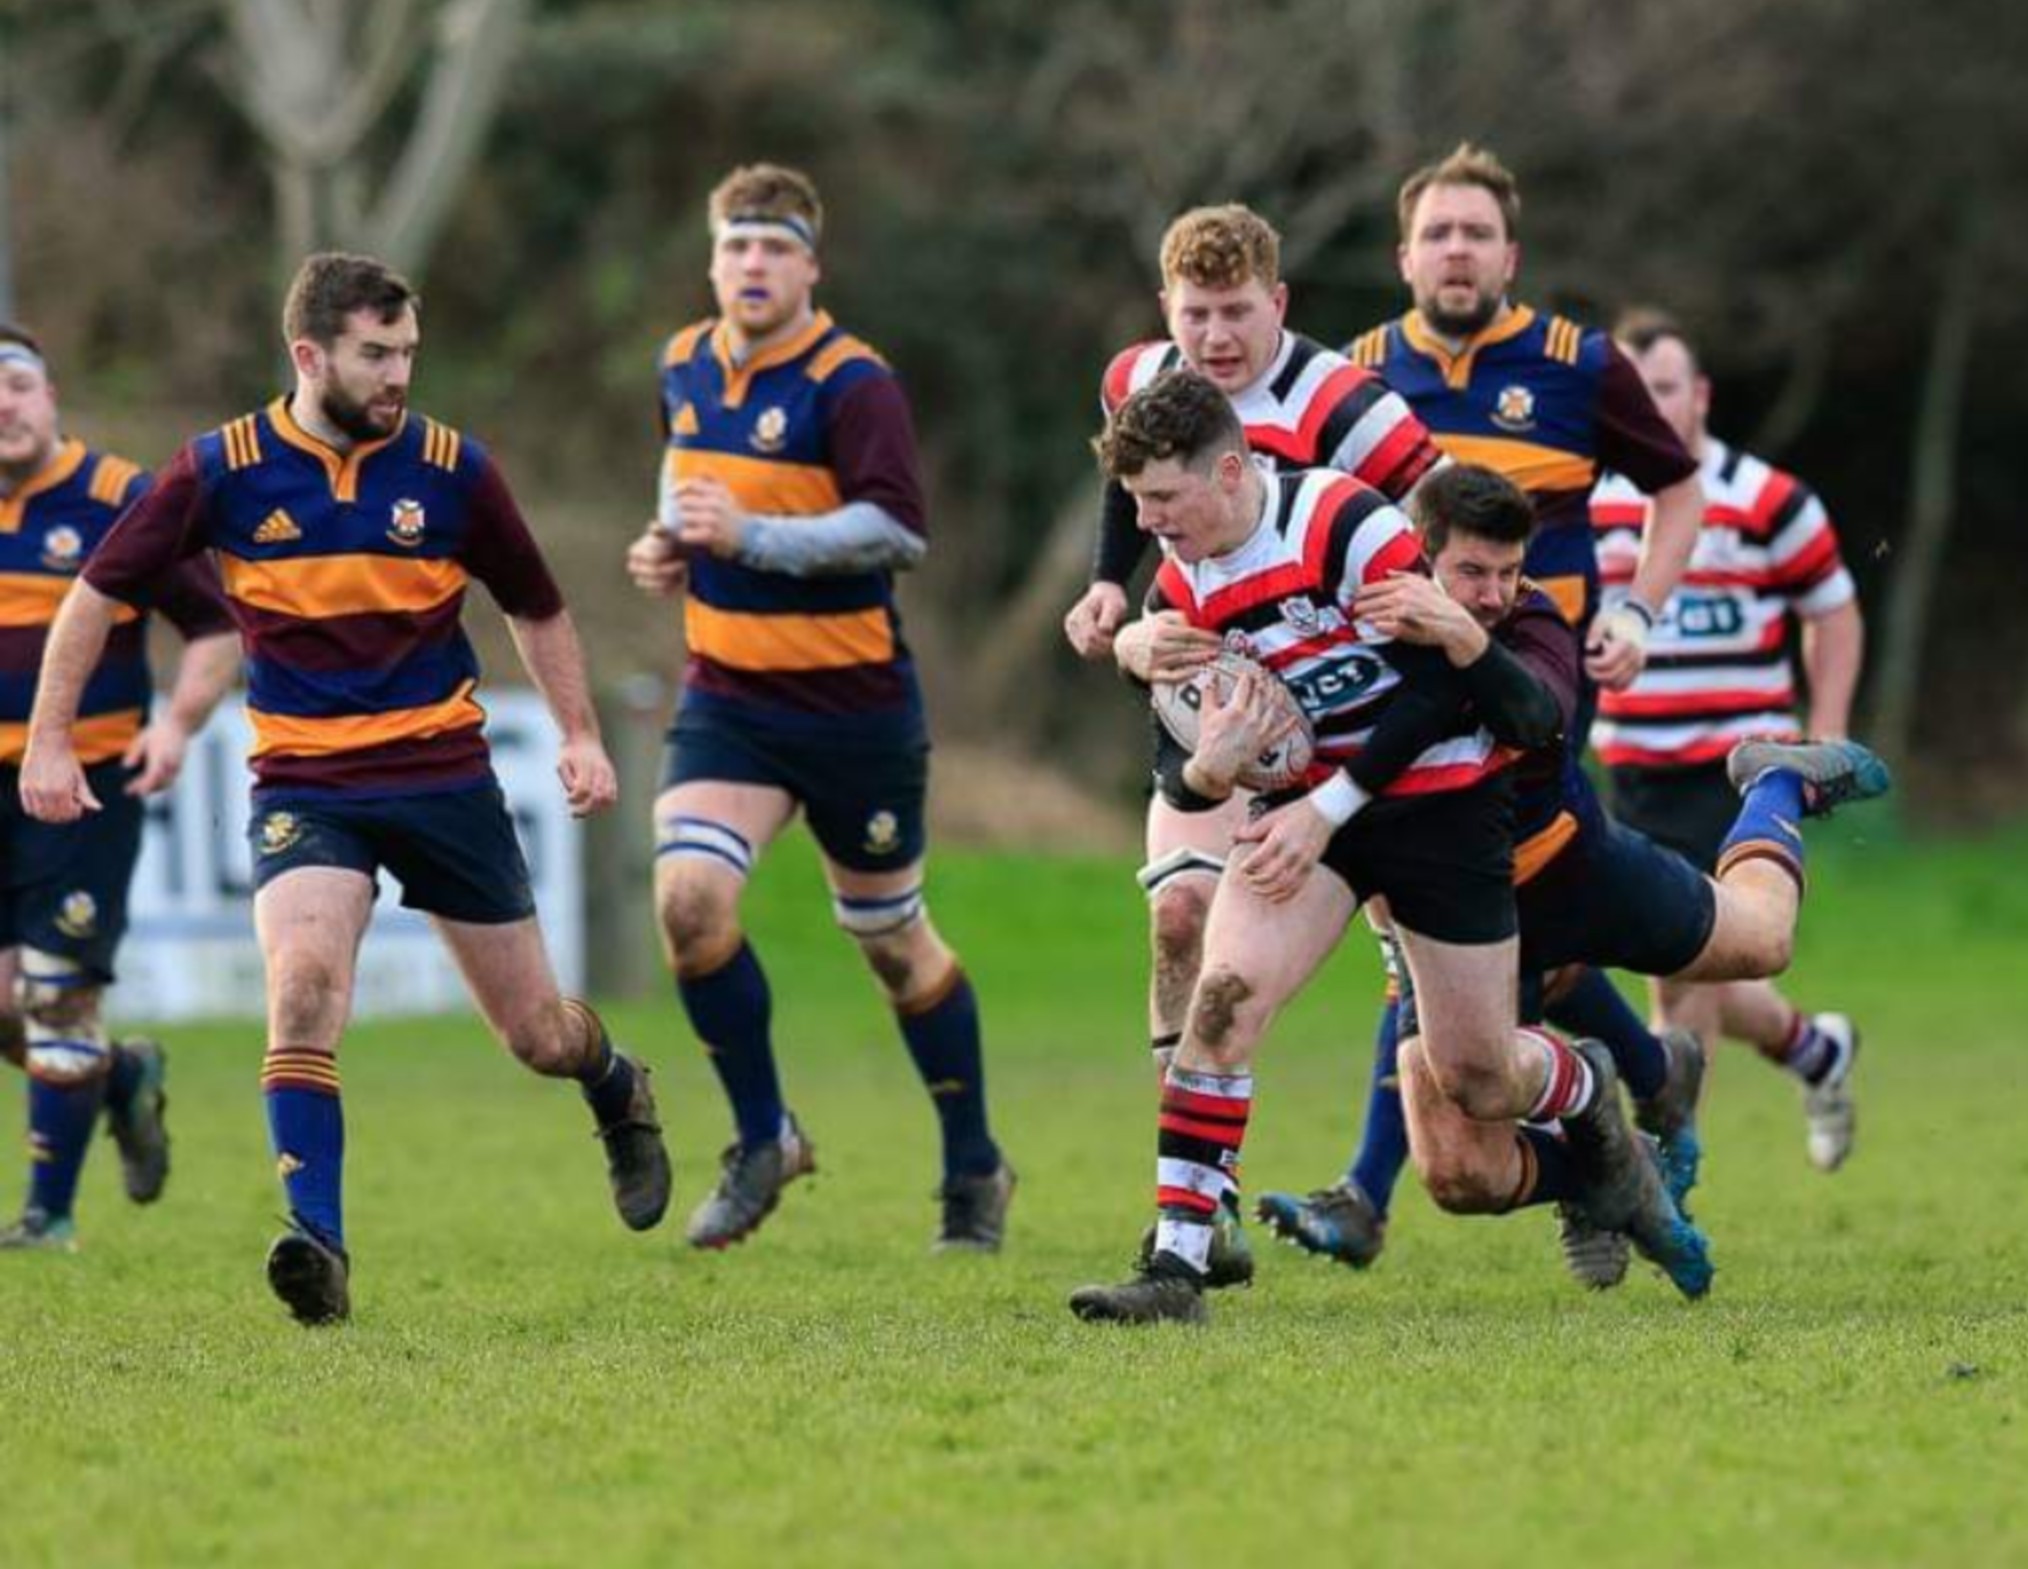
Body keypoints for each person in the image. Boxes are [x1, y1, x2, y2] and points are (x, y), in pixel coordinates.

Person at [20, 254, 669, 1323]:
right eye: (376, 355)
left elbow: (538, 607)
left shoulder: (454, 469)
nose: (398, 376)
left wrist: (581, 735)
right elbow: (95, 596)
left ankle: (615, 1085)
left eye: (408, 352)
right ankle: (316, 1244)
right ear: (309, 354)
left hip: (444, 779)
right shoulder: (220, 468)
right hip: (305, 785)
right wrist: (50, 741)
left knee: (536, 1036)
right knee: (304, 990)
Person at [1067, 372, 1705, 1327]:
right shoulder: (1183, 574)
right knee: (1223, 997)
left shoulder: (1340, 521)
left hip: (1440, 804)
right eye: (1138, 503)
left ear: (1232, 469)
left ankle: (1592, 1086)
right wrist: (1196, 744)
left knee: (1480, 1074)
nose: (1149, 523)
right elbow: (1181, 758)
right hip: (1305, 820)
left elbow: (1443, 689)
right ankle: (1177, 1264)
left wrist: (1328, 804)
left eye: (1163, 498)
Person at [1254, 465, 1888, 1284]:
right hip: (1449, 917)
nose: (1492, 592)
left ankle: (1776, 783)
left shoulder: (1532, 622)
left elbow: (1536, 715)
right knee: (1458, 1175)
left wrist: (1464, 633)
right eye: (1470, 573)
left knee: (1765, 941)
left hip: (1572, 870)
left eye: (1507, 572)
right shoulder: (1356, 635)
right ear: (1415, 555)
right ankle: (1601, 1167)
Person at [623, 163, 1013, 1253]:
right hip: (728, 700)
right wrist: (671, 541)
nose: (755, 265)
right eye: (738, 246)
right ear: (713, 260)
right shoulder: (683, 362)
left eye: (776, 247)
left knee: (892, 944)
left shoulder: (855, 383)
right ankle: (763, 1138)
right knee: (688, 904)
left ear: (811, 265)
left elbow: (898, 531)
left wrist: (754, 539)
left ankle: (975, 1166)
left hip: (853, 708)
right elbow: (686, 473)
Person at [1058, 204, 1445, 1286]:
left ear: (1279, 304)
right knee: (1181, 916)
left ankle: (1590, 1106)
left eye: (1236, 314)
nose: (1215, 338)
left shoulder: (1346, 408)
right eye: (1195, 316)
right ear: (1164, 312)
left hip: (1353, 717)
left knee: (1425, 949)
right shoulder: (1140, 375)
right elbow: (1128, 477)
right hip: (1210, 694)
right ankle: (1197, 1211)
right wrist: (1110, 592)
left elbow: (1439, 520)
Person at [1594, 309, 1869, 1171]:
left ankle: (1670, 1169)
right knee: (1703, 968)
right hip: (1632, 770)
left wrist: (1825, 737)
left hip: (1742, 779)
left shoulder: (1766, 498)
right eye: (1632, 389)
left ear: (1701, 395)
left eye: (1665, 386)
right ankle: (1815, 1050)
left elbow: (1835, 611)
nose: (1649, 401)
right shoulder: (1592, 500)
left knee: (1682, 976)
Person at [0, 324, 239, 1251]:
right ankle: (122, 1079)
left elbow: (216, 628)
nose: (4, 406)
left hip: (84, 781)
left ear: (51, 397)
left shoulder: (119, 497)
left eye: (19, 383)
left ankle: (47, 1215)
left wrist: (175, 725)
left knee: (57, 994)